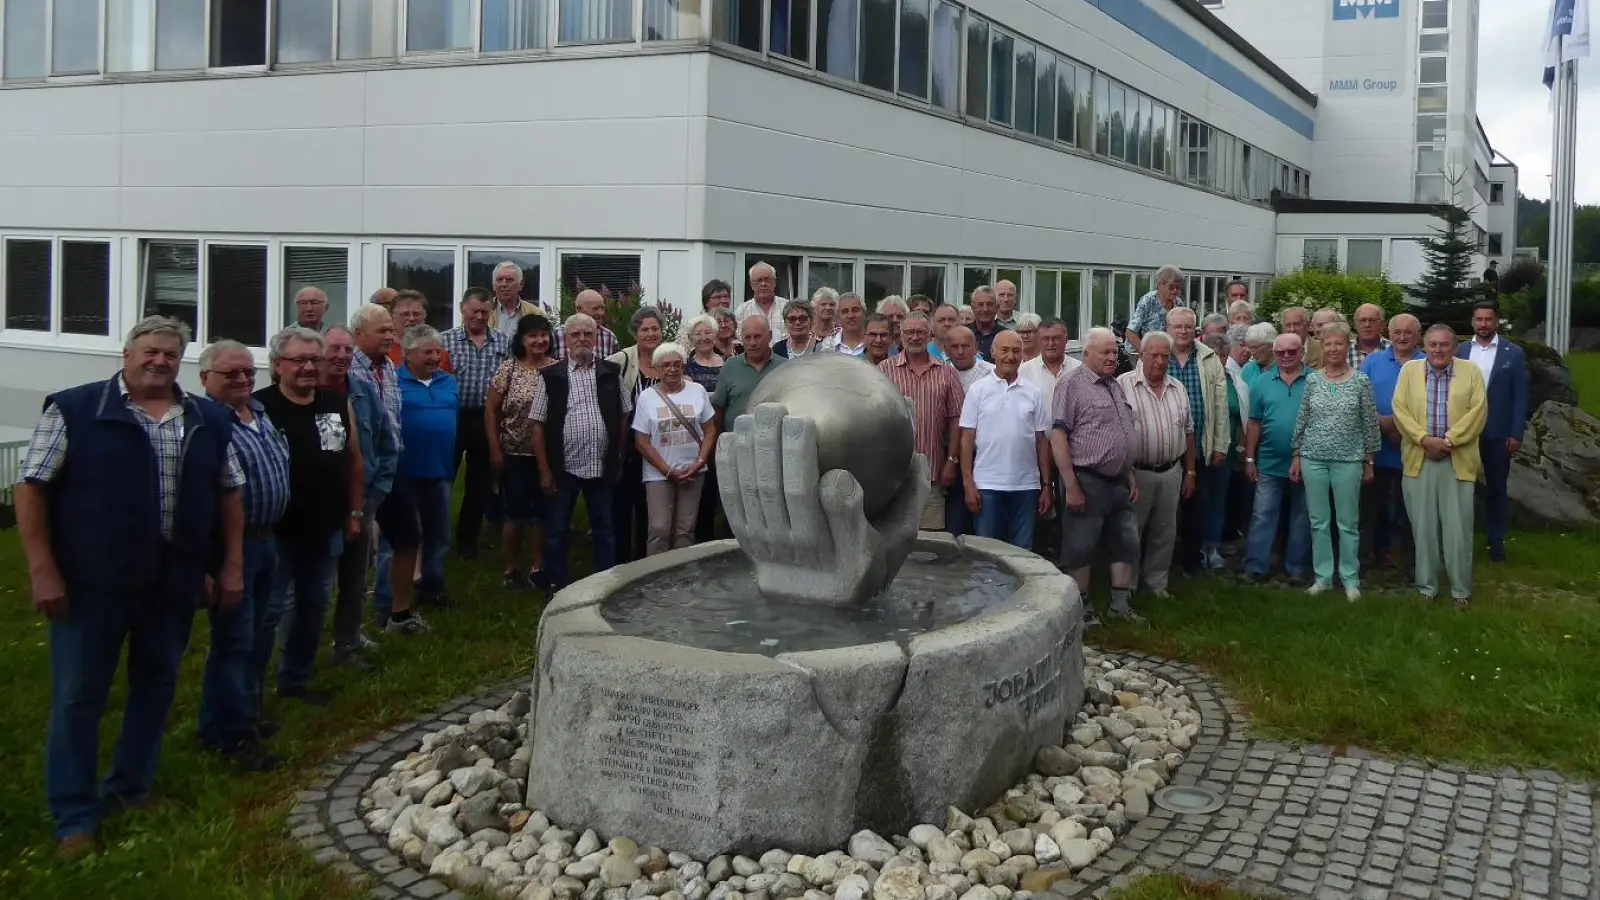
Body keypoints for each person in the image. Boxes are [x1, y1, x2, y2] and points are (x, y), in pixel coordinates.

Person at [17, 316, 244, 857]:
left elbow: (228, 493)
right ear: (126, 353)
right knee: (78, 696)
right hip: (92, 581)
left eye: (169, 354)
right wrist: (42, 568)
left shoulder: (207, 418)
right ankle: (74, 815)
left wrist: (228, 564)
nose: (158, 361)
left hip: (172, 581)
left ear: (181, 361)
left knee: (155, 685)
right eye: (149, 351)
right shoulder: (76, 409)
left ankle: (129, 787)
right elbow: (32, 488)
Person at [256, 326, 365, 707]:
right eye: (298, 360)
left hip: (326, 526)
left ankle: (295, 680)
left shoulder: (336, 403)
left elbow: (354, 462)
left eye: (313, 360)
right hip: (276, 530)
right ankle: (250, 692)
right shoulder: (261, 407)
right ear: (277, 365)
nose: (307, 367)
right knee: (269, 611)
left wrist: (354, 511)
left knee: (314, 604)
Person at [197, 339, 290, 771]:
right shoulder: (205, 423)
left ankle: (244, 713)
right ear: (205, 379)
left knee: (259, 634)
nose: (242, 380)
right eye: (230, 374)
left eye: (248, 372)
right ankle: (227, 733)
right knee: (233, 641)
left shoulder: (260, 412)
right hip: (233, 546)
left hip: (269, 539)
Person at [531, 314, 631, 594]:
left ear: (597, 338)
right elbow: (536, 425)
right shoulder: (551, 377)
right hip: (564, 467)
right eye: (575, 335)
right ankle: (557, 584)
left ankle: (605, 587)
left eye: (587, 334)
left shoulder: (611, 372)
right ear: (565, 339)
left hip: (601, 465)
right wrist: (544, 470)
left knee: (604, 528)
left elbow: (624, 415)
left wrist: (618, 455)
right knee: (556, 528)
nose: (582, 340)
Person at [1393, 324, 1488, 608]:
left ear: (1454, 347)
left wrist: (1448, 441)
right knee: (1423, 529)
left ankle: (1461, 591)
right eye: (1432, 345)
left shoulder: (1470, 371)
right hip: (1418, 460)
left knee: (1457, 529)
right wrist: (1424, 440)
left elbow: (1478, 411)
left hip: (1456, 459)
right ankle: (1427, 587)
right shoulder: (1410, 371)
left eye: (1444, 345)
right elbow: (1400, 409)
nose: (1438, 350)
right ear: (1424, 346)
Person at [320, 325, 397, 672]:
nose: (340, 357)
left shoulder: (362, 392)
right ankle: (300, 657)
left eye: (347, 351)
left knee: (354, 580)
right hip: (318, 509)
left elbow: (386, 443)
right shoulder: (310, 395)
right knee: (315, 586)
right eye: (333, 350)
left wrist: (376, 493)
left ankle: (347, 643)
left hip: (362, 501)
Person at [1052, 328, 1141, 625]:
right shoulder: (1071, 383)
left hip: (1118, 482)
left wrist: (1129, 474)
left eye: (1115, 351)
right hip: (1086, 479)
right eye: (1105, 352)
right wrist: (1071, 485)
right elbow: (1058, 435)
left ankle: (1120, 606)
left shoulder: (1114, 385)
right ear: (1086, 354)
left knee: (1125, 543)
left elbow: (1120, 433)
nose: (1112, 357)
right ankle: (1082, 609)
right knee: (1080, 547)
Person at [1290, 323, 1380, 600]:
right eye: (1327, 344)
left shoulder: (1360, 381)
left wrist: (1369, 460)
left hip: (1348, 460)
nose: (1332, 349)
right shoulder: (1313, 380)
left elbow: (1369, 423)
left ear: (1347, 346)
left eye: (1338, 344)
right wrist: (1296, 454)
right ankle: (1323, 577)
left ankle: (1350, 579)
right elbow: (1302, 418)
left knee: (1347, 523)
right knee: (1319, 521)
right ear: (1321, 346)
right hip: (1313, 458)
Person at [1118, 331, 1195, 598]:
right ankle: (1126, 586)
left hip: (1171, 470)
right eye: (1154, 355)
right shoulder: (1123, 385)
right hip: (1137, 472)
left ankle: (1157, 584)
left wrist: (1190, 472)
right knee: (1131, 531)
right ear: (1142, 355)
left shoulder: (1178, 387)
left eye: (1166, 356)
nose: (1160, 361)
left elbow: (1188, 431)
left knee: (1165, 531)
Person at [960, 331, 1052, 547]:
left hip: (1026, 486)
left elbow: (1041, 441)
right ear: (993, 352)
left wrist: (1047, 485)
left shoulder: (1033, 392)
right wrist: (968, 484)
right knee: (986, 551)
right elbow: (966, 438)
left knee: (1023, 553)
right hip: (987, 485)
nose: (1010, 356)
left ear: (1022, 355)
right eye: (1004, 350)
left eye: (1015, 351)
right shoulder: (978, 390)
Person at [487, 314, 558, 588]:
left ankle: (538, 567)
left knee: (542, 515)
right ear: (521, 340)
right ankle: (512, 567)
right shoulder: (509, 369)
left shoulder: (558, 369)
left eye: (543, 334)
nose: (539, 340)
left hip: (548, 456)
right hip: (514, 452)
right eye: (532, 335)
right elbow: (491, 410)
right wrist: (494, 448)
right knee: (514, 515)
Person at [441, 288, 511, 560]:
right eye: (474, 311)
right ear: (462, 308)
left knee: (479, 483)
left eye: (485, 311)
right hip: (453, 417)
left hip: (487, 417)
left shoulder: (502, 343)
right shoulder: (445, 341)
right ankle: (438, 536)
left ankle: (468, 540)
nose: (479, 317)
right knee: (444, 478)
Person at [1458, 300, 1528, 562]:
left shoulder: (1513, 353)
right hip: (1464, 431)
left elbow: (1520, 396)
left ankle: (1496, 541)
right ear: (1472, 321)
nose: (1483, 324)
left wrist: (1516, 432)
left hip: (1498, 431)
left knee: (1497, 488)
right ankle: (1460, 539)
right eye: (1479, 319)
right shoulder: (1461, 350)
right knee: (1462, 486)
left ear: (1496, 321)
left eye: (1488, 319)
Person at [880, 313, 965, 531]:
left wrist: (952, 461)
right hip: (892, 474)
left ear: (930, 335)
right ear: (900, 335)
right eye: (909, 332)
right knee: (893, 537)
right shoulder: (883, 371)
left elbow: (957, 420)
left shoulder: (947, 373)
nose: (915, 337)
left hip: (933, 473)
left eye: (920, 332)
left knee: (931, 544)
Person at [395, 325, 459, 613]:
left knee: (439, 534)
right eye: (427, 352)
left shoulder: (448, 382)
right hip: (405, 473)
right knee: (404, 539)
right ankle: (395, 598)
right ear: (408, 354)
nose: (435, 357)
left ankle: (433, 588)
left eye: (437, 351)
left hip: (441, 471)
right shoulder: (393, 382)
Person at [633, 342, 718, 554]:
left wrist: (699, 463)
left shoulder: (697, 391)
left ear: (684, 366)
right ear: (656, 369)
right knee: (659, 528)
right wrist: (666, 470)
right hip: (658, 474)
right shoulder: (646, 397)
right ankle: (655, 577)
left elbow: (710, 431)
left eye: (677, 364)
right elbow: (641, 440)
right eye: (666, 365)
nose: (672, 369)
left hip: (693, 471)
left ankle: (683, 577)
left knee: (685, 529)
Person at [1242, 333, 1312, 585]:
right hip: (1269, 461)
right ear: (1274, 352)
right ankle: (1255, 566)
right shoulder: (1262, 382)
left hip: (1307, 461)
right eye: (1280, 352)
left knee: (1302, 515)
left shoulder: (1314, 380)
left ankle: (1296, 568)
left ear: (1302, 352)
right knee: (1262, 513)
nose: (1285, 357)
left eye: (1292, 352)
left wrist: (1302, 456)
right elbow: (1254, 422)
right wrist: (1250, 458)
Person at [1164, 307, 1229, 573]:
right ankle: (1161, 563)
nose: (1182, 332)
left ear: (1196, 331)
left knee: (1195, 508)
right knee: (1163, 512)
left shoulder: (1209, 358)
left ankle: (1191, 561)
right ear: (1168, 328)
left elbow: (1220, 405)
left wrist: (1220, 444)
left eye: (1187, 327)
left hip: (1200, 444)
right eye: (1177, 327)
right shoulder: (1157, 354)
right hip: (1163, 448)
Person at [1360, 313, 1422, 569]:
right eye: (1397, 332)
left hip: (1413, 451)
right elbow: (1360, 397)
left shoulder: (1427, 362)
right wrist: (1382, 423)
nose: (1402, 337)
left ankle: (1412, 565)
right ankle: (1363, 561)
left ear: (1418, 336)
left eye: (1408, 332)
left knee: (1411, 513)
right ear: (1389, 333)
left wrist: (1396, 424)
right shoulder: (1373, 361)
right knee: (1368, 511)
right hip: (1376, 451)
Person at [609, 307, 668, 564]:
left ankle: (646, 565)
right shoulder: (619, 361)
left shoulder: (670, 359)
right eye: (645, 329)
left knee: (651, 513)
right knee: (621, 510)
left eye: (655, 328)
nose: (650, 333)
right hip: (629, 449)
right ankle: (619, 567)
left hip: (660, 449)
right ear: (635, 332)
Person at [1202, 331, 1253, 554]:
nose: (1218, 361)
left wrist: (1242, 448)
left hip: (1229, 453)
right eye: (1212, 356)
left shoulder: (1234, 381)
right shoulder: (1199, 380)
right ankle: (1196, 548)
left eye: (1221, 356)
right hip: (1202, 451)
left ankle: (1213, 546)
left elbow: (1243, 416)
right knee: (1201, 502)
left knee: (1219, 502)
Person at [712, 316, 786, 429]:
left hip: (775, 442)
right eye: (747, 337)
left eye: (757, 337)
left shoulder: (784, 366)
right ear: (741, 338)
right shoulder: (730, 367)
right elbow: (718, 409)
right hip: (736, 441)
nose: (752, 343)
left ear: (770, 336)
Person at [1125, 265, 1186, 353]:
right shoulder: (1148, 301)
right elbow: (1130, 332)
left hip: (1164, 352)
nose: (1175, 291)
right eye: (1171, 287)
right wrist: (1144, 354)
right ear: (1159, 285)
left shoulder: (1178, 303)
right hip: (1140, 351)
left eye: (1178, 287)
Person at [554, 289, 621, 359]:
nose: (601, 313)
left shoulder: (609, 337)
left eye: (602, 308)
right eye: (595, 308)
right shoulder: (557, 335)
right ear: (579, 310)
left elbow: (615, 367)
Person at [487, 261, 544, 338]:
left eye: (509, 280)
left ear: (520, 284)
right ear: (493, 285)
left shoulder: (536, 313)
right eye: (500, 280)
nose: (504, 284)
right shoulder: (482, 311)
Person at [735, 261, 787, 335]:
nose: (763, 284)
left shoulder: (787, 307)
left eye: (767, 279)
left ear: (774, 282)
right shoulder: (742, 311)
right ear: (752, 284)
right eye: (759, 280)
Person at [969, 286, 1008, 359]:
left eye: (990, 304)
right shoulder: (963, 334)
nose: (985, 309)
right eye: (980, 304)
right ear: (972, 307)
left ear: (997, 307)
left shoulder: (1007, 335)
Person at [1350, 304, 1391, 369]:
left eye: (1372, 320)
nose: (1367, 325)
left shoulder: (1393, 350)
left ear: (1382, 324)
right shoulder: (1343, 350)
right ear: (1355, 324)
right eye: (1362, 320)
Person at [1239, 322, 1278, 387]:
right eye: (1249, 347)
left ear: (1270, 345)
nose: (1251, 352)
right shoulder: (1248, 369)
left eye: (1254, 347)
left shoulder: (1283, 367)